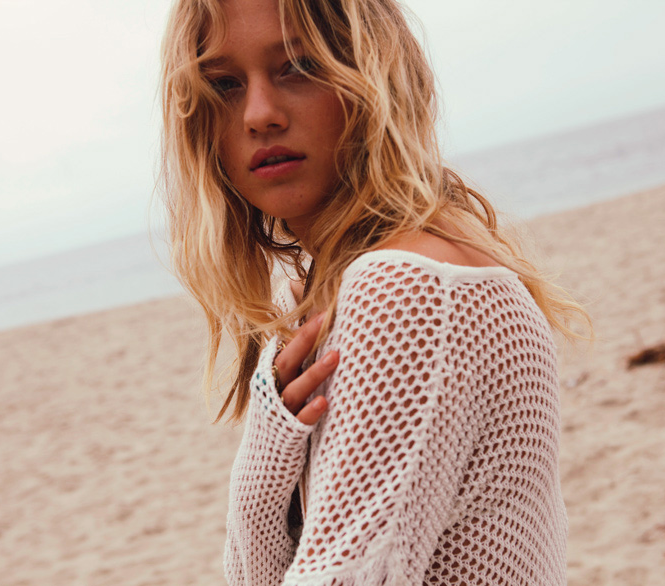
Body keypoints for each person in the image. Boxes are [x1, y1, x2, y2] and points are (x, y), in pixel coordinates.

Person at [160, 0, 590, 583]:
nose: (259, 115)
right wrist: (264, 468)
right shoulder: (341, 290)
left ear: (373, 76)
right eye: (224, 85)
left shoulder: (410, 289)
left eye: (298, 67)